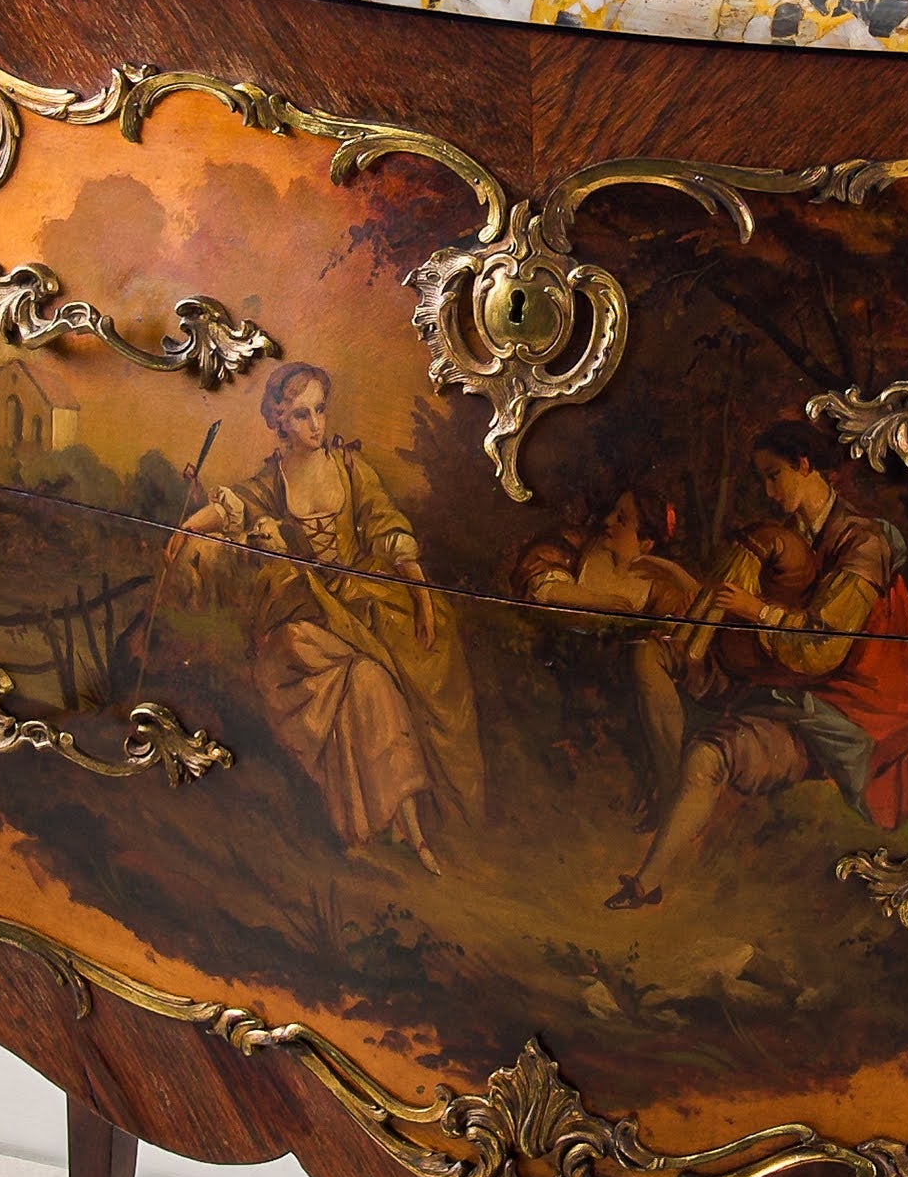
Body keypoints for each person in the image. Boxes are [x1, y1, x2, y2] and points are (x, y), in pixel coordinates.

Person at [167, 361, 482, 870]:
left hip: (362, 599)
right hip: (308, 608)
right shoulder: (275, 479)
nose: (315, 424)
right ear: (278, 421)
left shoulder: (351, 469)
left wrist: (421, 593)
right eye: (300, 414)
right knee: (359, 680)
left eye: (320, 410)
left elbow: (385, 525)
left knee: (413, 669)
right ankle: (391, 824)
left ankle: (418, 826)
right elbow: (234, 508)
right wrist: (185, 529)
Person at [610, 418, 908, 907]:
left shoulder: (865, 546)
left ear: (805, 466)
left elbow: (823, 646)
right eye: (761, 478)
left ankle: (645, 882)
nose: (767, 489)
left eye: (773, 474)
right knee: (652, 652)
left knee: (709, 753)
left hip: (844, 707)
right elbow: (733, 619)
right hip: (778, 681)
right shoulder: (785, 536)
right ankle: (671, 788)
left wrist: (753, 610)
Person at [518, 488, 700, 816]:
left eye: (622, 520)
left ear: (646, 543)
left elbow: (696, 623)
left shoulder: (659, 588)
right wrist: (598, 602)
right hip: (560, 668)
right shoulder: (579, 547)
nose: (607, 521)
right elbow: (542, 587)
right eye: (613, 512)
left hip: (617, 693)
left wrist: (670, 571)